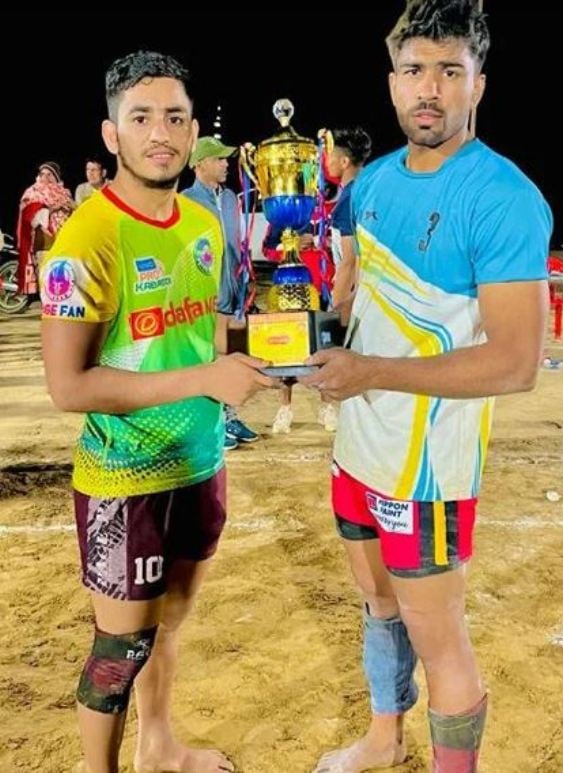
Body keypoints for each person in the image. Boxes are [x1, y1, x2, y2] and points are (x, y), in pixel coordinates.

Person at [300, 2, 551, 771]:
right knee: (378, 604)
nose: (429, 89)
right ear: (391, 83)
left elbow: (515, 361)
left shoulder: (503, 197)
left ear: (479, 84)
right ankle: (383, 737)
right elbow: (352, 296)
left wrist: (367, 371)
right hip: (357, 443)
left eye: (450, 71)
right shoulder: (369, 184)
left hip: (428, 468)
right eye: (414, 71)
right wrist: (315, 335)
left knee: (439, 638)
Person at [39, 50, 277, 773]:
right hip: (124, 477)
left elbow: (200, 335)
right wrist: (207, 373)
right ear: (112, 135)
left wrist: (281, 349)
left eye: (174, 117)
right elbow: (68, 386)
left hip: (200, 461)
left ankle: (160, 745)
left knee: (169, 623)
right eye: (140, 117)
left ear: (194, 128)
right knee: (118, 652)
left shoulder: (201, 227)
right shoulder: (84, 237)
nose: (160, 132)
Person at [182, 136, 259, 450]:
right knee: (209, 358)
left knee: (232, 355)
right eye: (219, 159)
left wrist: (247, 275)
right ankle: (212, 425)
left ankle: (230, 417)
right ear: (200, 164)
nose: (226, 164)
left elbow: (238, 241)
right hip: (206, 294)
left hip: (234, 290)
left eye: (226, 159)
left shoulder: (230, 197)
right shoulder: (185, 201)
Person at [263, 225, 337, 434]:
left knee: (323, 355)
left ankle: (327, 408)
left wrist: (318, 240)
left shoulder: (330, 210)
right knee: (286, 355)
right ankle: (285, 410)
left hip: (321, 290)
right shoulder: (284, 218)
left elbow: (344, 245)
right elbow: (267, 250)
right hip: (287, 292)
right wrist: (290, 245)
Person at [324, 127, 372, 308]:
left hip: (354, 299)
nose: (326, 162)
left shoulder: (349, 198)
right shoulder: (367, 189)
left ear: (344, 161)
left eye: (330, 156)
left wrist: (336, 313)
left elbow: (349, 262)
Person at [16, 161, 74, 296]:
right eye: (42, 174)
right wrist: (54, 208)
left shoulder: (64, 193)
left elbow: (72, 212)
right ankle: (46, 304)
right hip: (42, 237)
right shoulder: (33, 192)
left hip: (63, 236)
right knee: (45, 272)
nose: (45, 178)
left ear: (56, 177)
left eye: (50, 175)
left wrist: (70, 207)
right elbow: (30, 214)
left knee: (60, 272)